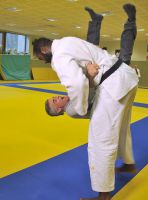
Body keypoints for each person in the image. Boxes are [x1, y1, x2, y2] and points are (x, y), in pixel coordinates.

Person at [33, 4, 138, 200]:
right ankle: (129, 163)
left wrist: (83, 95)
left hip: (113, 84)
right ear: (58, 110)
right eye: (55, 102)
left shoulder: (58, 56)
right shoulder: (68, 41)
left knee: (100, 142)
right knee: (122, 127)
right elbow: (84, 74)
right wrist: (88, 79)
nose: (43, 61)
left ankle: (103, 196)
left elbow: (75, 83)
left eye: (40, 57)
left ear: (45, 49)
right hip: (126, 76)